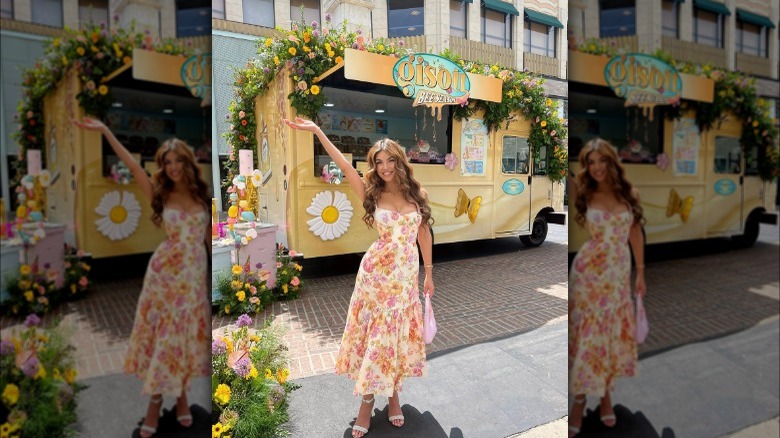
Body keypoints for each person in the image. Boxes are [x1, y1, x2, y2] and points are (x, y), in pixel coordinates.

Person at [284, 117, 435, 437]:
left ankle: (394, 396)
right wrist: (317, 132)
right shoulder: (372, 191)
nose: (384, 167)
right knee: (377, 341)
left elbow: (424, 234)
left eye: (389, 160)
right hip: (376, 278)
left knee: (394, 340)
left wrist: (429, 274)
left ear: (399, 161)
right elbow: (343, 162)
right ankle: (366, 403)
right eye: (378, 162)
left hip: (405, 278)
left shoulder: (416, 192)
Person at [72, 117, 211, 437]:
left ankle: (183, 398)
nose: (173, 166)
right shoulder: (159, 193)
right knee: (165, 340)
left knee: (184, 341)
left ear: (187, 163)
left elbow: (206, 240)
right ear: (162, 165)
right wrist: (107, 131)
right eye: (167, 162)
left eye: (178, 160)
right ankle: (155, 403)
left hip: (191, 279)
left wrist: (207, 288)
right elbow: (133, 165)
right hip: (164, 278)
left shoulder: (202, 196)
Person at [567, 138, 646, 437]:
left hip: (617, 276)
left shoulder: (628, 194)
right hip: (589, 275)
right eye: (591, 161)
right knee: (590, 338)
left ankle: (606, 396)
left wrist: (641, 273)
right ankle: (579, 400)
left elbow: (635, 233)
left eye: (602, 160)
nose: (597, 167)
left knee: (609, 338)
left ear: (611, 162)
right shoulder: (584, 191)